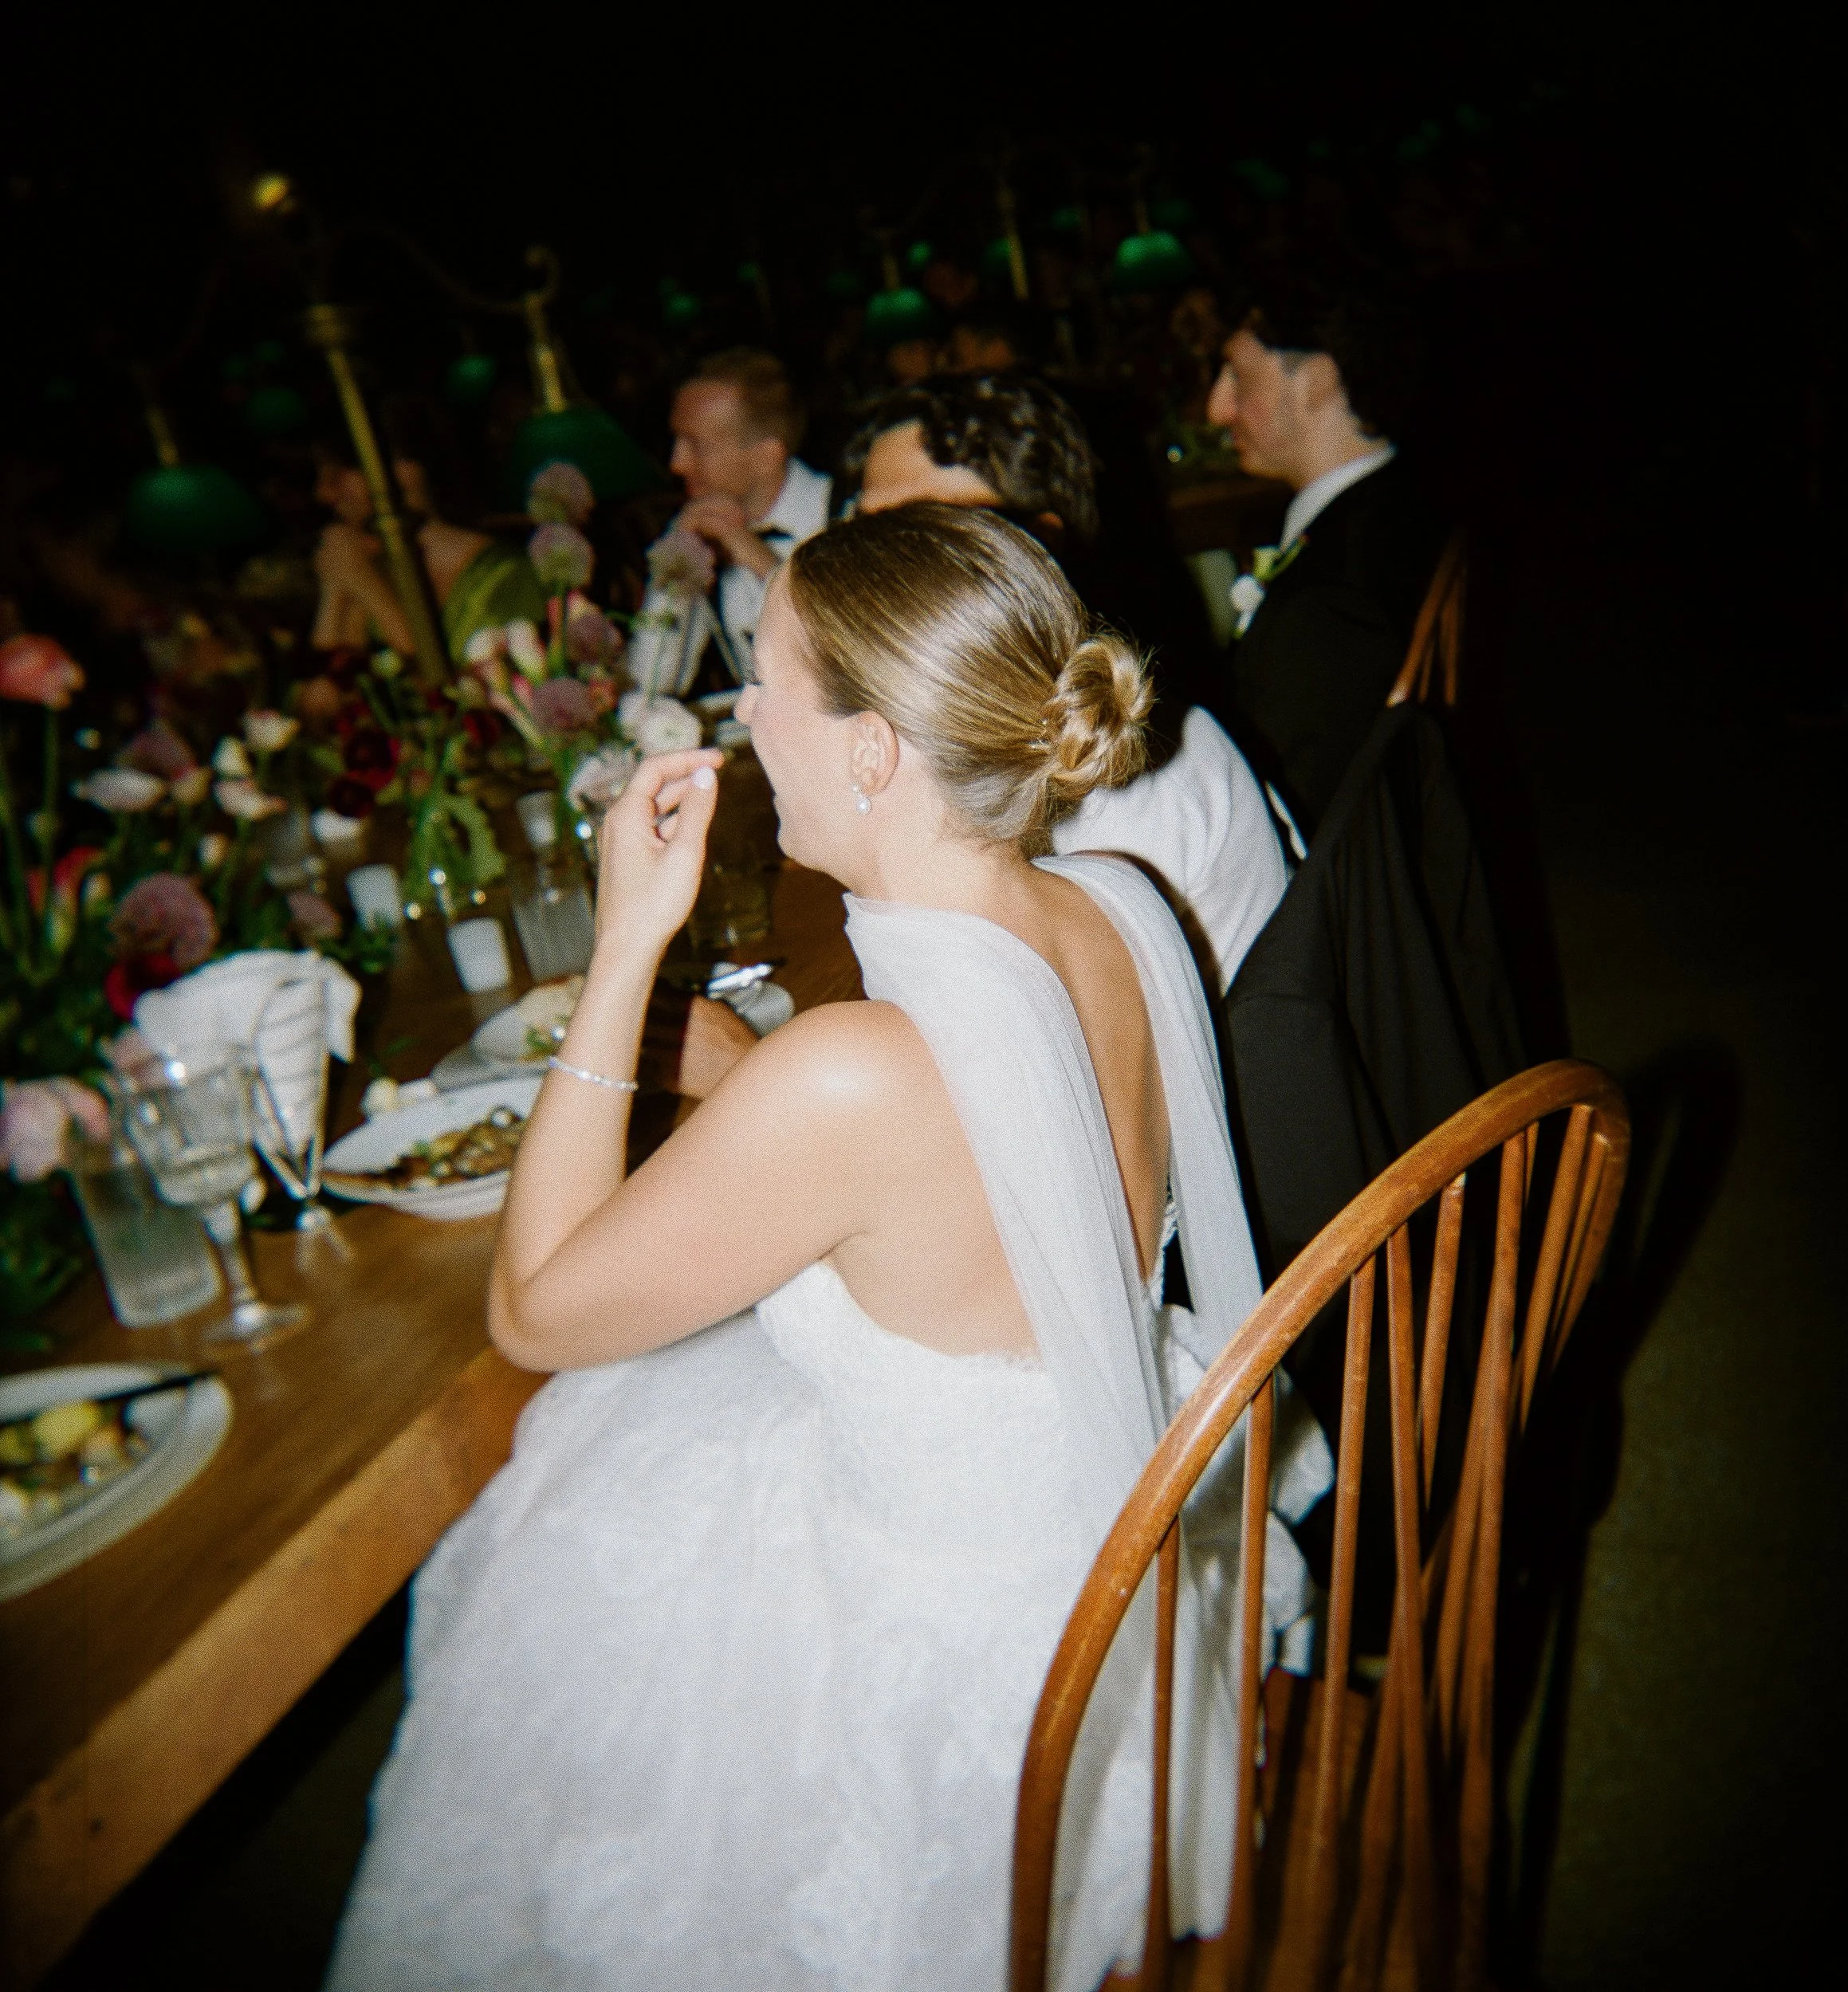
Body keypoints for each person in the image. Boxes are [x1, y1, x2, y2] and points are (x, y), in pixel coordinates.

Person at [328, 505, 1327, 1991]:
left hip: (979, 1676)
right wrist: (756, 1076)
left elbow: (532, 1307)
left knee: (564, 1515)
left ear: (872, 750)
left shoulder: (855, 1071)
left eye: (767, 676)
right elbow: (984, 1152)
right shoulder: (1118, 909)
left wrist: (624, 955)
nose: (742, 711)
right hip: (1104, 1537)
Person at [847, 376, 1286, 992]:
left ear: (1038, 545)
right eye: (863, 535)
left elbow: (1051, 1065)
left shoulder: (1108, 772)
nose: (868, 573)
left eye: (919, 535)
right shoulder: (976, 727)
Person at [1208, 283, 1446, 849]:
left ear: (1318, 380)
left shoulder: (1330, 603)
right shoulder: (1404, 508)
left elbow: (1300, 826)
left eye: (1238, 375)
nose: (1218, 407)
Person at [652, 347, 831, 682]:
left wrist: (756, 558)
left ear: (766, 456)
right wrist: (673, 565)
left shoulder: (850, 512)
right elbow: (655, 681)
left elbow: (858, 657)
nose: (677, 464)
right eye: (677, 442)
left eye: (696, 445)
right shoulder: (702, 529)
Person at [312, 442, 545, 666]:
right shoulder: (371, 567)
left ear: (405, 470)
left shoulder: (504, 576)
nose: (325, 495)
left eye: (338, 476)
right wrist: (335, 589)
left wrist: (362, 582)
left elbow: (442, 682)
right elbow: (327, 691)